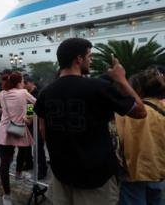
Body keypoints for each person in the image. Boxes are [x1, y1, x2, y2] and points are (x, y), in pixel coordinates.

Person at [34, 38, 147, 205]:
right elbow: (140, 111)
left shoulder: (45, 92)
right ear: (78, 59)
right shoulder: (98, 87)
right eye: (89, 56)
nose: (91, 60)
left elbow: (43, 130)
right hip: (96, 176)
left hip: (61, 173)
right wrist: (121, 79)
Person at [116, 68, 165, 205]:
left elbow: (118, 140)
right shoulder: (162, 108)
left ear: (138, 90)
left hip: (133, 174)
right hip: (158, 172)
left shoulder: (130, 113)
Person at [0, 71, 35, 205]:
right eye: (22, 81)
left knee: (4, 163)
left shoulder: (2, 93)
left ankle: (6, 195)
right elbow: (36, 103)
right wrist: (28, 116)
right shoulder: (23, 92)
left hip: (5, 129)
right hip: (19, 128)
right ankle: (18, 173)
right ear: (19, 82)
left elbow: (4, 109)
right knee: (23, 150)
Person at [23, 75, 48, 179]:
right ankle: (29, 162)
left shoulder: (38, 93)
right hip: (29, 123)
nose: (24, 85)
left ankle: (43, 168)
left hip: (38, 123)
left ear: (31, 83)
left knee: (38, 148)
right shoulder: (28, 93)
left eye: (26, 83)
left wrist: (29, 117)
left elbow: (36, 108)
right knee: (26, 144)